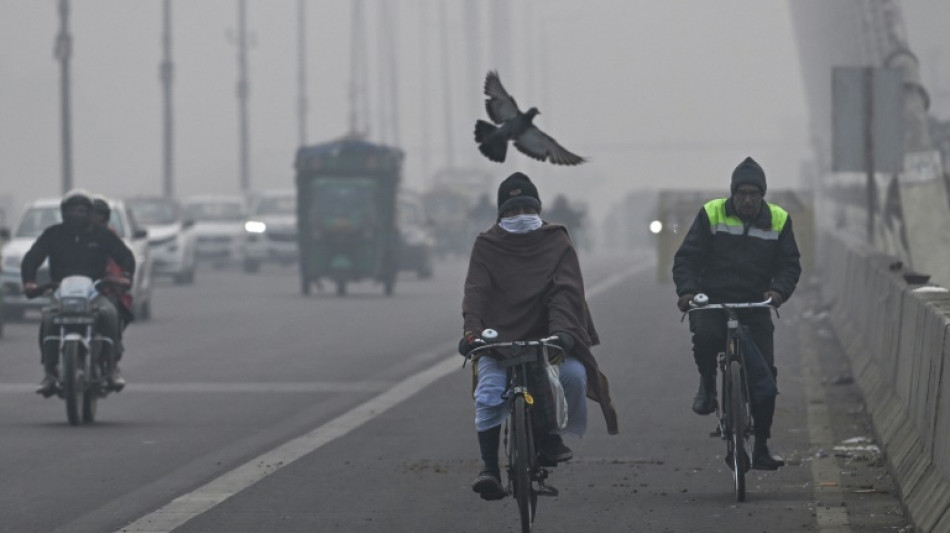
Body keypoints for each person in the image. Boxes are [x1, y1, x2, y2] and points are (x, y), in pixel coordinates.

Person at [459, 172, 618, 500]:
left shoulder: (556, 241)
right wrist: (473, 331)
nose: (521, 216)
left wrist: (563, 333)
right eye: (512, 211)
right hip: (498, 343)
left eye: (527, 209)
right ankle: (489, 468)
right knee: (488, 393)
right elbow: (476, 291)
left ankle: (549, 437)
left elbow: (565, 293)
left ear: (539, 210)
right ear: (501, 214)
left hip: (549, 342)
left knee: (573, 377)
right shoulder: (486, 244)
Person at [672, 156, 801, 470]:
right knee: (705, 337)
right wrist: (687, 292)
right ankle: (707, 383)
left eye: (753, 194)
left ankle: (762, 446)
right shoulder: (711, 213)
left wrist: (778, 292)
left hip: (754, 304)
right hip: (713, 301)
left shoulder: (779, 220)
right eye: (741, 193)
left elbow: (789, 265)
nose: (747, 200)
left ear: (762, 195)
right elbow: (687, 258)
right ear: (732, 193)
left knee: (765, 379)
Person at [22, 191, 135, 396]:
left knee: (110, 313)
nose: (76, 214)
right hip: (60, 293)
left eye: (81, 210)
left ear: (90, 212)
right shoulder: (53, 234)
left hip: (95, 292)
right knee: (48, 319)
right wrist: (29, 281)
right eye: (72, 210)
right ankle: (49, 372)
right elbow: (32, 258)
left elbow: (125, 256)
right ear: (63, 212)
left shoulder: (102, 235)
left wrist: (126, 276)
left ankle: (112, 367)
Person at [90, 196, 134, 388]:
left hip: (105, 289)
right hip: (79, 290)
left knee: (112, 313)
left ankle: (112, 361)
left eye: (97, 215)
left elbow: (121, 260)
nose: (93, 218)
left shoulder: (109, 237)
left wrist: (119, 279)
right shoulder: (71, 236)